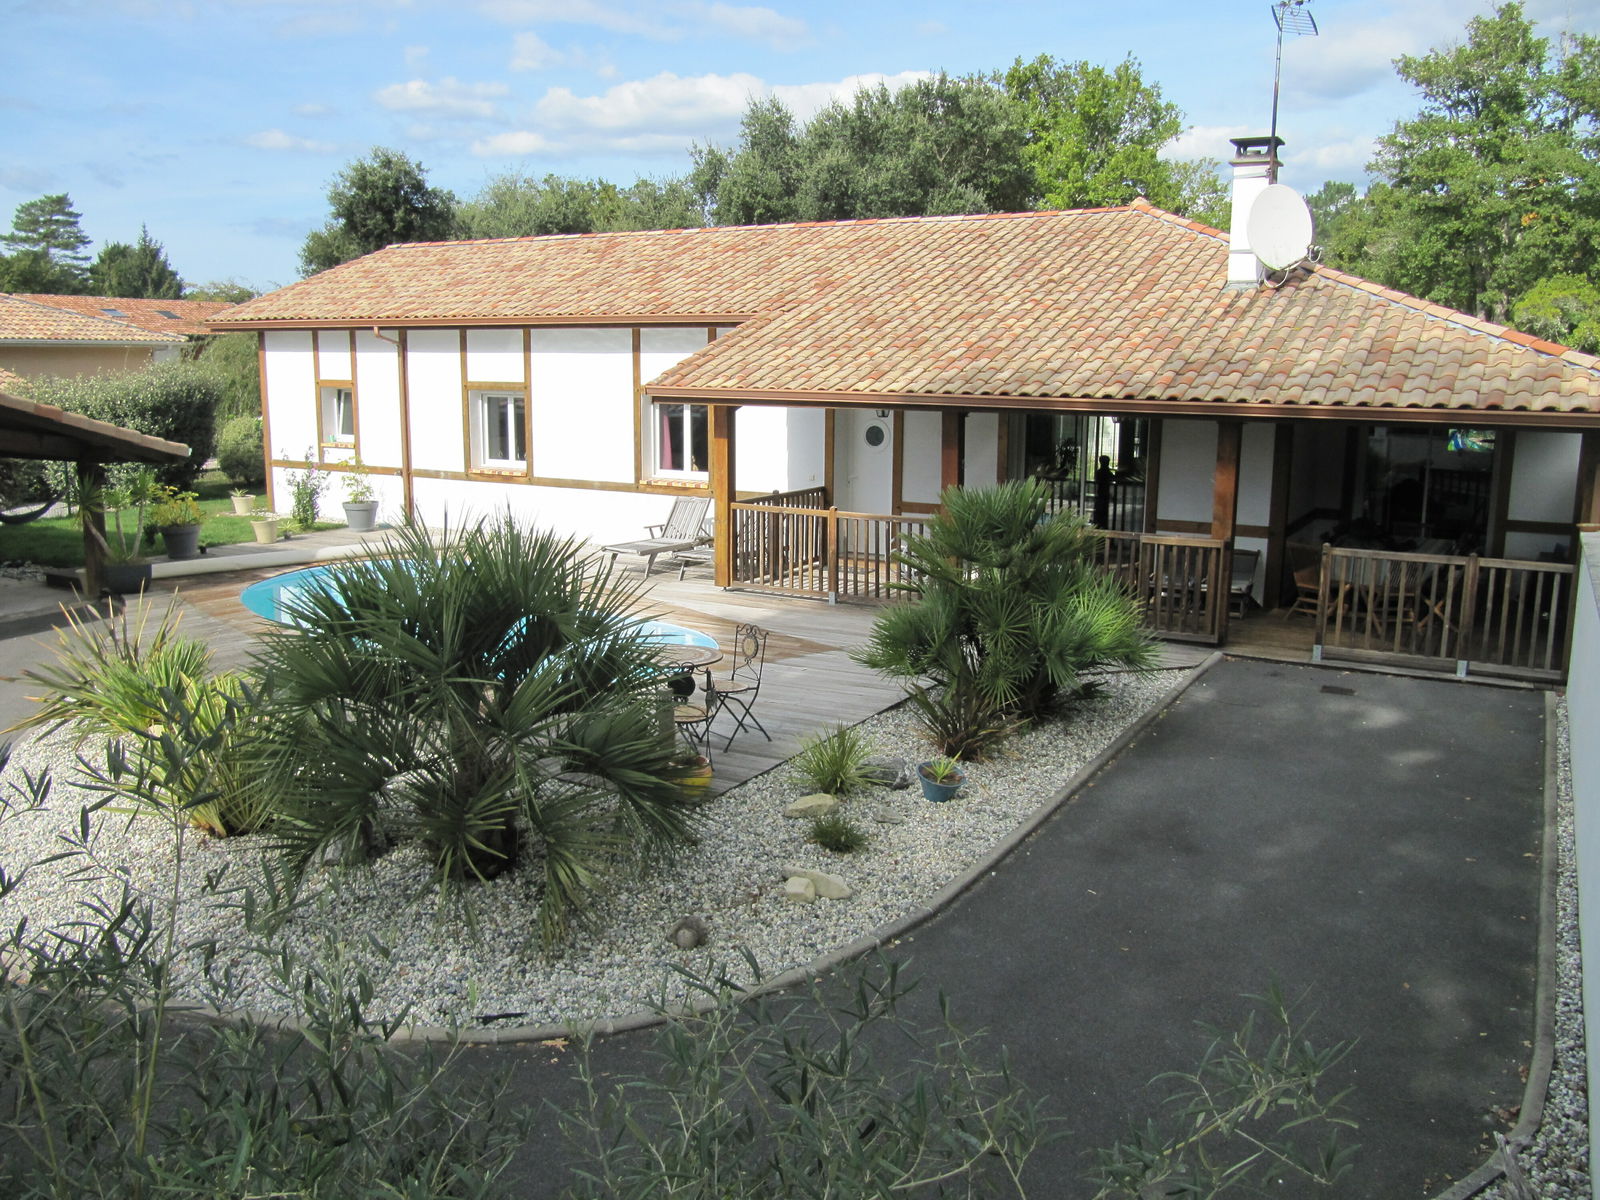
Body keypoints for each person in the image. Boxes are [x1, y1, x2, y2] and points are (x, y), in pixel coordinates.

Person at [1092, 455, 1114, 527]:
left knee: (1099, 511)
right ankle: (1102, 525)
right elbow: (1113, 478)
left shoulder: (1099, 472)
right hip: (1103, 495)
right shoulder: (1107, 472)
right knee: (1103, 512)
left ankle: (1097, 525)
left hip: (1100, 494)